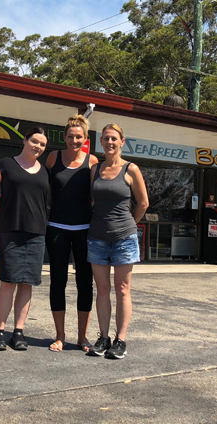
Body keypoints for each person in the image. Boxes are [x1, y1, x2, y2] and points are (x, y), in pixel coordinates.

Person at [87, 124, 149, 360]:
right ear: (100, 142)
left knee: (122, 289)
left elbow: (143, 203)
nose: (110, 142)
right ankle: (103, 337)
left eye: (114, 139)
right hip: (97, 238)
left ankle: (120, 339)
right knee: (102, 290)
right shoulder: (94, 169)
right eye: (106, 139)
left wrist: (129, 225)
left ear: (122, 142)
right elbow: (91, 199)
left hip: (124, 238)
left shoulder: (131, 169)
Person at [0, 128, 50, 351]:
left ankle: (19, 332)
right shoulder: (5, 164)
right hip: (10, 231)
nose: (38, 147)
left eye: (42, 144)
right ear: (25, 140)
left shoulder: (45, 171)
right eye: (34, 141)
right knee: (8, 282)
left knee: (27, 284)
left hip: (36, 233)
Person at [45, 115, 98, 352]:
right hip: (56, 229)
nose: (74, 140)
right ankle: (60, 336)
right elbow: (40, 186)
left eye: (79, 137)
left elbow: (98, 196)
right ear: (64, 137)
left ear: (85, 139)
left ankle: (82, 337)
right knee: (58, 282)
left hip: (84, 231)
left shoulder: (93, 161)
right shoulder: (53, 157)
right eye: (70, 136)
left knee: (85, 283)